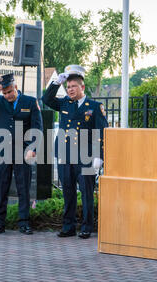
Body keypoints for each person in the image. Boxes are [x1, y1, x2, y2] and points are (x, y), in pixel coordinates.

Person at [41, 65, 108, 239]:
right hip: (65, 154)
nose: (70, 90)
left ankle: (86, 227)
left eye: (73, 86)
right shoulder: (64, 103)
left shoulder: (94, 106)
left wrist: (100, 157)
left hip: (85, 158)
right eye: (68, 87)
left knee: (86, 192)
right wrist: (56, 83)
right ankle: (68, 226)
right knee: (68, 191)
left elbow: (102, 133)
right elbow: (46, 99)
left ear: (82, 87)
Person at [0, 73, 43, 235]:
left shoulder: (30, 101)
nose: (7, 96)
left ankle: (24, 223)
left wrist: (32, 148)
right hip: (3, 151)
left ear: (16, 88)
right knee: (2, 188)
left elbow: (37, 127)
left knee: (23, 188)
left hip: (23, 152)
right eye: (4, 93)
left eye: (9, 92)